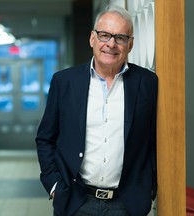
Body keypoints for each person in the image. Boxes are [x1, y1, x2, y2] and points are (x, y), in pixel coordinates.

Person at [36, 4, 158, 216]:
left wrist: (149, 188)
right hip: (76, 201)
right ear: (92, 38)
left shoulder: (147, 83)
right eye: (104, 35)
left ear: (130, 45)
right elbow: (46, 139)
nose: (111, 44)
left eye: (120, 37)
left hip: (127, 204)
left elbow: (155, 141)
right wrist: (55, 186)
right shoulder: (64, 82)